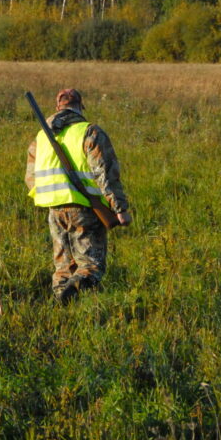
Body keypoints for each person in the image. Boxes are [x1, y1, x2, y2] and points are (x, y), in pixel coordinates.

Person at [25, 88, 131, 303]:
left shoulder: (41, 137)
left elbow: (30, 178)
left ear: (58, 107)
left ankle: (62, 306)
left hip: (54, 210)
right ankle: (75, 289)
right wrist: (120, 208)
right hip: (84, 208)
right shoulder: (89, 131)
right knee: (91, 266)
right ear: (81, 107)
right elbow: (105, 173)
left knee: (63, 268)